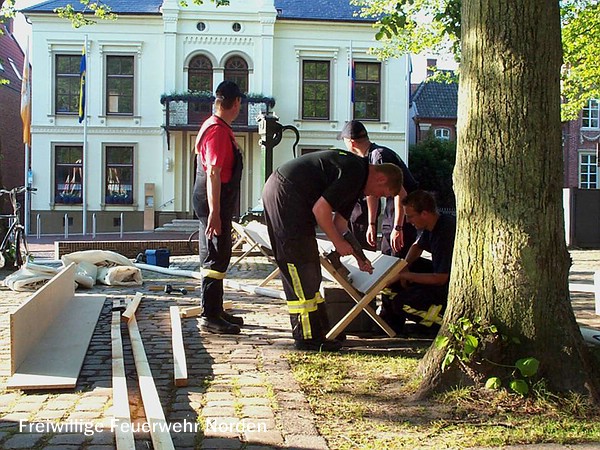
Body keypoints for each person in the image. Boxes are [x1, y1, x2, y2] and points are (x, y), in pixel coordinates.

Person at [262, 149, 404, 351]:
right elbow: (321, 210)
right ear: (381, 178)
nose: (374, 196)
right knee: (298, 264)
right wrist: (337, 243)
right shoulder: (354, 172)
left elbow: (341, 224)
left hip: (290, 196)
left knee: (311, 268)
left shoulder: (357, 180)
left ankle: (319, 331)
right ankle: (306, 337)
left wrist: (360, 257)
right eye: (381, 193)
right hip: (285, 194)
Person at [192, 80, 246, 335]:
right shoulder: (217, 131)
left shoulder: (213, 125)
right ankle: (209, 315)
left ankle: (216, 308)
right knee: (216, 253)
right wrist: (215, 212)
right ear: (236, 103)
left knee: (218, 252)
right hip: (214, 199)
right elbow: (213, 172)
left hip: (214, 198)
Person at [379, 190, 456, 335]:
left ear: (425, 214)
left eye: (410, 216)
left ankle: (437, 324)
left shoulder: (444, 234)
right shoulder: (432, 225)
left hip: (448, 286)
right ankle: (390, 323)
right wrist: (404, 267)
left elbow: (440, 278)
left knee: (401, 303)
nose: (408, 221)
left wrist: (406, 276)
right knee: (405, 269)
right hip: (441, 279)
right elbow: (417, 246)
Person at [340, 120, 419, 258]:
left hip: (403, 216)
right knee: (386, 257)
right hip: (391, 216)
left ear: (351, 142)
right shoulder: (369, 157)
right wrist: (371, 224)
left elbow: (401, 194)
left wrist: (398, 228)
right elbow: (372, 193)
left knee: (394, 262)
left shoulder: (380, 156)